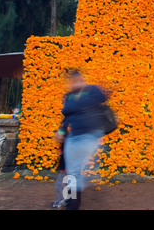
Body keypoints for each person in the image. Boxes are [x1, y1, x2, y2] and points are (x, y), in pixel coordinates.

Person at [53, 70, 107, 210]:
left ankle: (82, 181)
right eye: (71, 81)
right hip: (73, 136)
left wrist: (86, 88)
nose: (73, 83)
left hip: (90, 135)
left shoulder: (91, 90)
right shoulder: (69, 96)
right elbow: (66, 117)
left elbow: (103, 97)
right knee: (72, 173)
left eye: (77, 80)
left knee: (75, 171)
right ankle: (72, 205)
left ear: (81, 79)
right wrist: (60, 131)